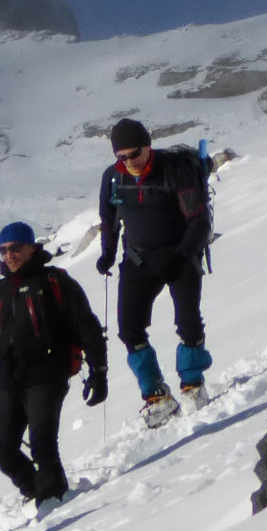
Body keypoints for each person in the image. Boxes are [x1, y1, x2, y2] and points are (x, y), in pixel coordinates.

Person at [0, 221, 109, 512]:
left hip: (48, 369)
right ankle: (36, 489)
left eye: (16, 248)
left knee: (42, 442)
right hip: (8, 374)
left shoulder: (55, 282)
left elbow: (86, 327)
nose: (9, 255)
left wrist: (99, 371)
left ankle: (53, 501)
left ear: (31, 247)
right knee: (2, 448)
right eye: (3, 250)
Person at [96, 117, 213, 414]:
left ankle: (193, 383)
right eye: (121, 157)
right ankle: (156, 395)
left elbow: (199, 221)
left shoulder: (176, 171)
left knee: (188, 321)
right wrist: (108, 254)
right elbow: (109, 220)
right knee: (129, 330)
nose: (129, 162)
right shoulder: (113, 178)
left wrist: (183, 256)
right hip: (138, 259)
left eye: (134, 154)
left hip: (180, 254)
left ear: (147, 146)